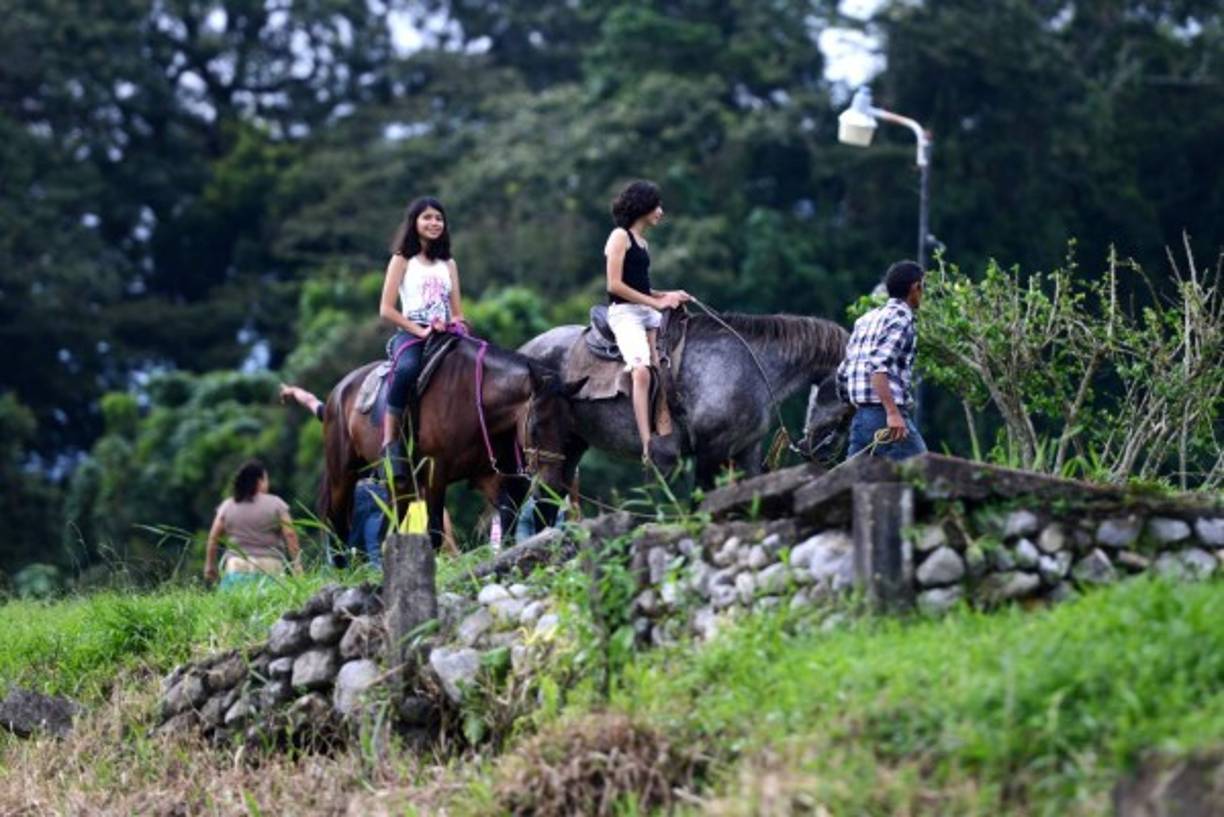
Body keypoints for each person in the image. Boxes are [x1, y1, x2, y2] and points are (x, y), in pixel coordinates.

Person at [278, 383, 457, 561]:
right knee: (380, 552)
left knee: (350, 550)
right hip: (387, 492)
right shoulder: (393, 427)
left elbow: (311, 401)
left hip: (359, 496)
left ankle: (343, 567)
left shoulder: (345, 420)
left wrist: (293, 392)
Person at [603, 180, 691, 467]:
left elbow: (641, 286)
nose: (661, 212)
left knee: (670, 364)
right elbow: (614, 285)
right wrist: (657, 304)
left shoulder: (643, 243)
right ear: (642, 207)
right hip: (625, 314)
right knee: (641, 372)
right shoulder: (620, 237)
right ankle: (646, 444)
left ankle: (671, 425)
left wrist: (668, 294)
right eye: (656, 206)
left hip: (646, 312)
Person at [379, 196, 469, 477]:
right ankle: (390, 442)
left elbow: (457, 312)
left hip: (445, 334)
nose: (434, 223)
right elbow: (386, 309)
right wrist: (421, 330)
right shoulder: (402, 260)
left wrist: (455, 324)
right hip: (412, 333)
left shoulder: (449, 264)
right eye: (427, 217)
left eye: (439, 218)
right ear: (414, 222)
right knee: (407, 369)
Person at [837, 260, 929, 461]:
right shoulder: (902, 318)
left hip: (861, 417)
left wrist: (854, 409)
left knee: (853, 478)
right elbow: (878, 367)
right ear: (916, 287)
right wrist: (892, 413)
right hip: (885, 417)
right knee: (924, 471)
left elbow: (844, 372)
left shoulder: (865, 320)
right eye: (924, 287)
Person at [204, 459, 302, 588]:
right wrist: (297, 565)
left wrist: (210, 565)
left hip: (236, 567)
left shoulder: (227, 506)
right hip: (270, 569)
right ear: (259, 481)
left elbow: (213, 538)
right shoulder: (276, 504)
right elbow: (290, 535)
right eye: (266, 480)